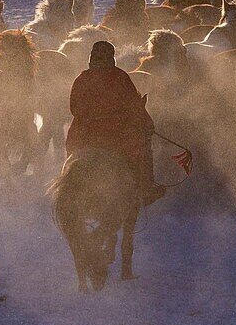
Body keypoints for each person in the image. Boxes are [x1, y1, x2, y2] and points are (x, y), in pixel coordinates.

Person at [66, 41, 165, 204]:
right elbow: (134, 105)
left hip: (82, 136)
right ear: (111, 58)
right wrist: (147, 124)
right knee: (143, 148)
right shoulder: (120, 77)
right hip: (114, 136)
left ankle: (67, 190)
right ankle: (146, 188)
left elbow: (73, 108)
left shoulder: (82, 78)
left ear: (91, 58)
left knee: (71, 158)